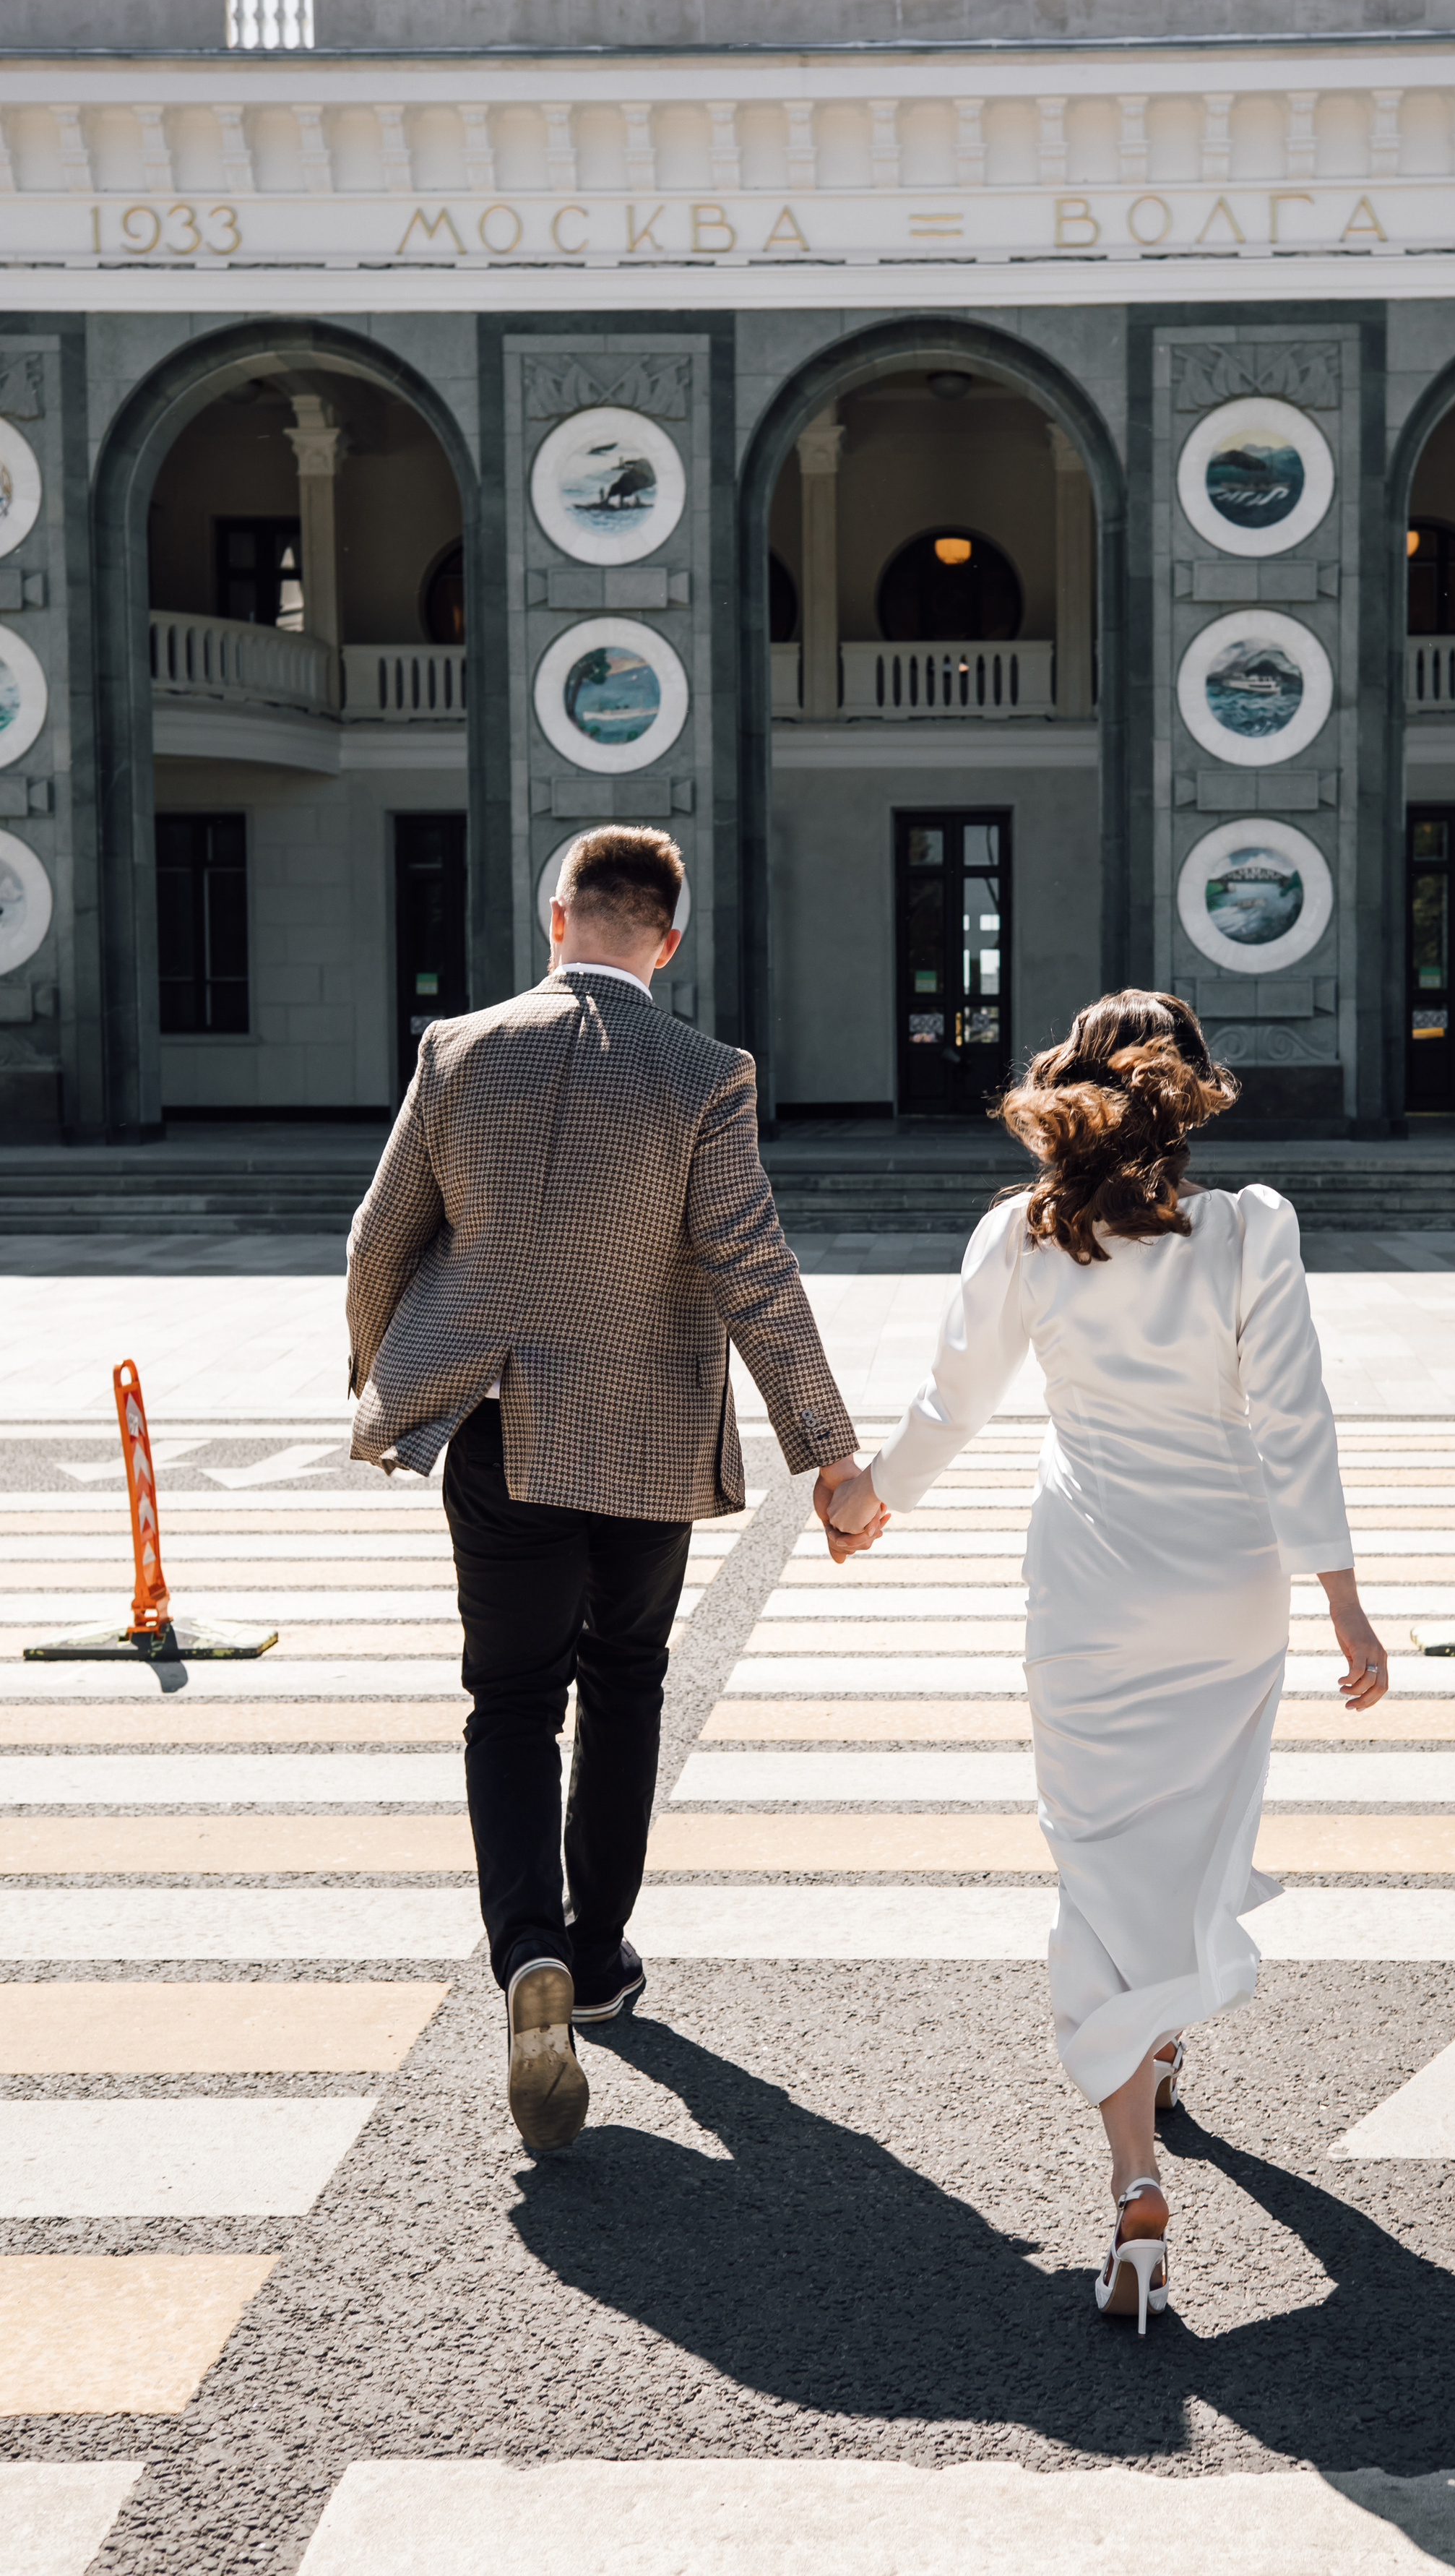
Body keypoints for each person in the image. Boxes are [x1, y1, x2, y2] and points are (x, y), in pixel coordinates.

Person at [824, 989, 1387, 2335]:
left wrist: (867, 1499)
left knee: (1097, 1854)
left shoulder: (1026, 1232)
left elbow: (952, 1404)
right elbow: (1295, 1419)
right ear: (1194, 1094)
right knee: (1191, 1833)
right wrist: (1348, 1605)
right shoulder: (1251, 1228)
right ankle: (1166, 2024)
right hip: (1230, 1585)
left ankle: (1136, 2181)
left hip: (1092, 1584)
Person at [345, 824, 880, 2155]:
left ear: (557, 918)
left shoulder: (458, 1051)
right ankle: (594, 1957)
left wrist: (391, 1377)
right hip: (646, 1437)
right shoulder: (704, 1071)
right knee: (627, 1679)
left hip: (504, 1426)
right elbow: (752, 1264)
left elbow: (380, 1237)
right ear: (669, 940)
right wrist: (830, 1451)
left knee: (511, 1700)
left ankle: (523, 1945)